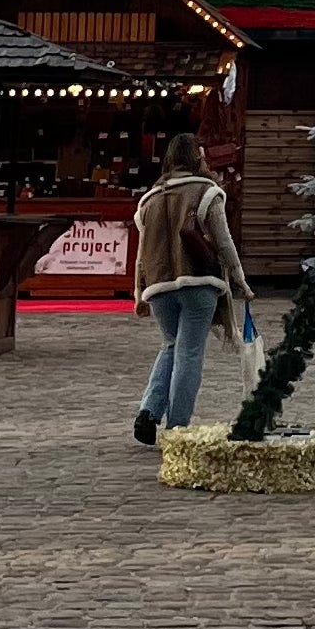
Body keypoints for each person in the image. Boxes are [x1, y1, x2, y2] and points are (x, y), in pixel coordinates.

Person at [130, 133, 253, 445]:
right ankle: (178, 428)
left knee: (171, 345)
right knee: (189, 352)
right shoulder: (208, 191)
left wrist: (138, 292)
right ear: (194, 158)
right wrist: (239, 279)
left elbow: (141, 253)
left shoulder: (150, 199)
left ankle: (148, 411)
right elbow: (223, 241)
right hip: (199, 282)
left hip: (158, 285)